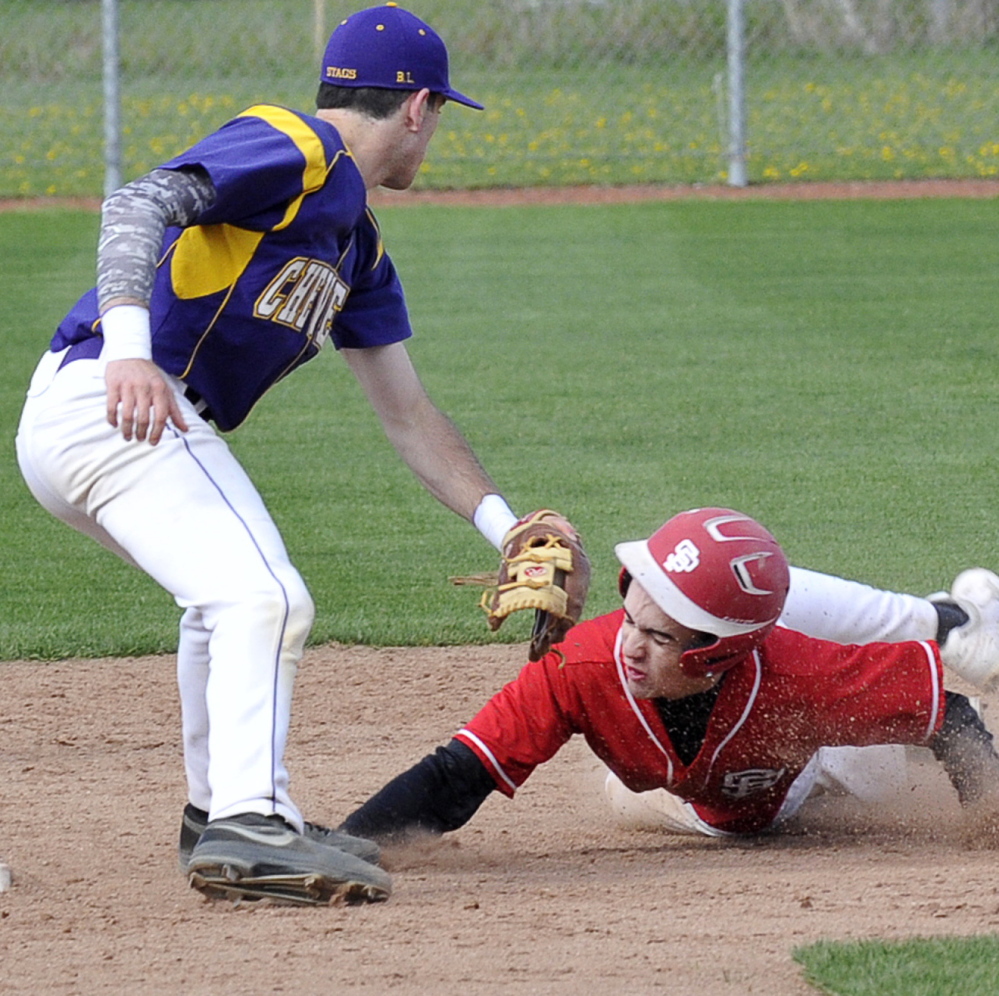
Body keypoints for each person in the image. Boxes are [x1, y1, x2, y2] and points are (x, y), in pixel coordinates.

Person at [14, 4, 583, 906]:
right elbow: (139, 202)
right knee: (265, 595)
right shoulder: (294, 145)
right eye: (437, 115)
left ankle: (224, 816)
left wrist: (508, 529)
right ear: (416, 106)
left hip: (117, 419)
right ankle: (251, 827)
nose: (433, 135)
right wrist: (128, 345)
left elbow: (408, 416)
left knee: (224, 602)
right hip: (112, 398)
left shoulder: (356, 246)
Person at [339, 507, 999, 846]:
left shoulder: (798, 677)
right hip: (682, 798)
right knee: (622, 799)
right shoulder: (584, 668)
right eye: (632, 617)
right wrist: (346, 843)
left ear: (716, 654)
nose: (630, 645)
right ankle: (947, 619)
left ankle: (951, 626)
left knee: (879, 778)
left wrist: (985, 819)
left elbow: (950, 713)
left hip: (808, 769)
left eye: (659, 635)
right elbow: (458, 773)